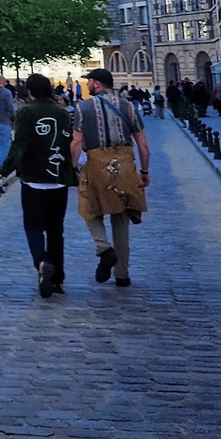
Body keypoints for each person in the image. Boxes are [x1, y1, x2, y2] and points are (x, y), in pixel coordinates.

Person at [70, 68, 149, 288]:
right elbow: (143, 144)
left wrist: (72, 167)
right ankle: (122, 274)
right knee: (121, 217)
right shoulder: (129, 107)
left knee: (89, 208)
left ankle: (103, 247)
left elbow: (76, 142)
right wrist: (144, 171)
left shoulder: (83, 108)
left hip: (96, 164)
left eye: (89, 81)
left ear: (96, 84)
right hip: (124, 165)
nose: (87, 85)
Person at [0, 73, 75, 298]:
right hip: (58, 179)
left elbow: (19, 146)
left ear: (30, 91)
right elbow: (68, 143)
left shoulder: (26, 112)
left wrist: (2, 172)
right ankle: (58, 278)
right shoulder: (62, 112)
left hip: (34, 179)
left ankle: (41, 262)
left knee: (33, 226)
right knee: (56, 230)